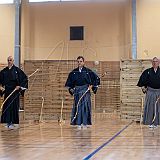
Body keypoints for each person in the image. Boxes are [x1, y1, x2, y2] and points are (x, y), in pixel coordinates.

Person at [65, 56, 100, 129]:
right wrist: (71, 89)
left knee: (85, 107)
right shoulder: (74, 72)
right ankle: (78, 123)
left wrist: (92, 86)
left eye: (81, 61)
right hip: (77, 91)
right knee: (78, 107)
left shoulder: (88, 71)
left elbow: (96, 78)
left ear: (83, 62)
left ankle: (85, 123)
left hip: (85, 90)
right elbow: (70, 83)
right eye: (78, 61)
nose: (79, 63)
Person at [0, 56, 28, 129]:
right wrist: (1, 87)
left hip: (14, 91)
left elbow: (24, 78)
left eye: (11, 60)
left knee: (14, 107)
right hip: (7, 91)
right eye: (8, 60)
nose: (9, 61)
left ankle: (13, 122)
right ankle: (8, 122)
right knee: (7, 106)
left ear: (13, 61)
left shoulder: (17, 70)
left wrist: (19, 86)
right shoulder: (4, 71)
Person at [137, 57, 160, 128]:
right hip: (150, 92)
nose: (155, 63)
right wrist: (144, 89)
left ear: (159, 62)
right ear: (152, 63)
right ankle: (148, 121)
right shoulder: (147, 71)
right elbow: (141, 82)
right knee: (149, 107)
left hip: (159, 92)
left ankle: (158, 122)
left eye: (156, 61)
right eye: (153, 61)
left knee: (158, 108)